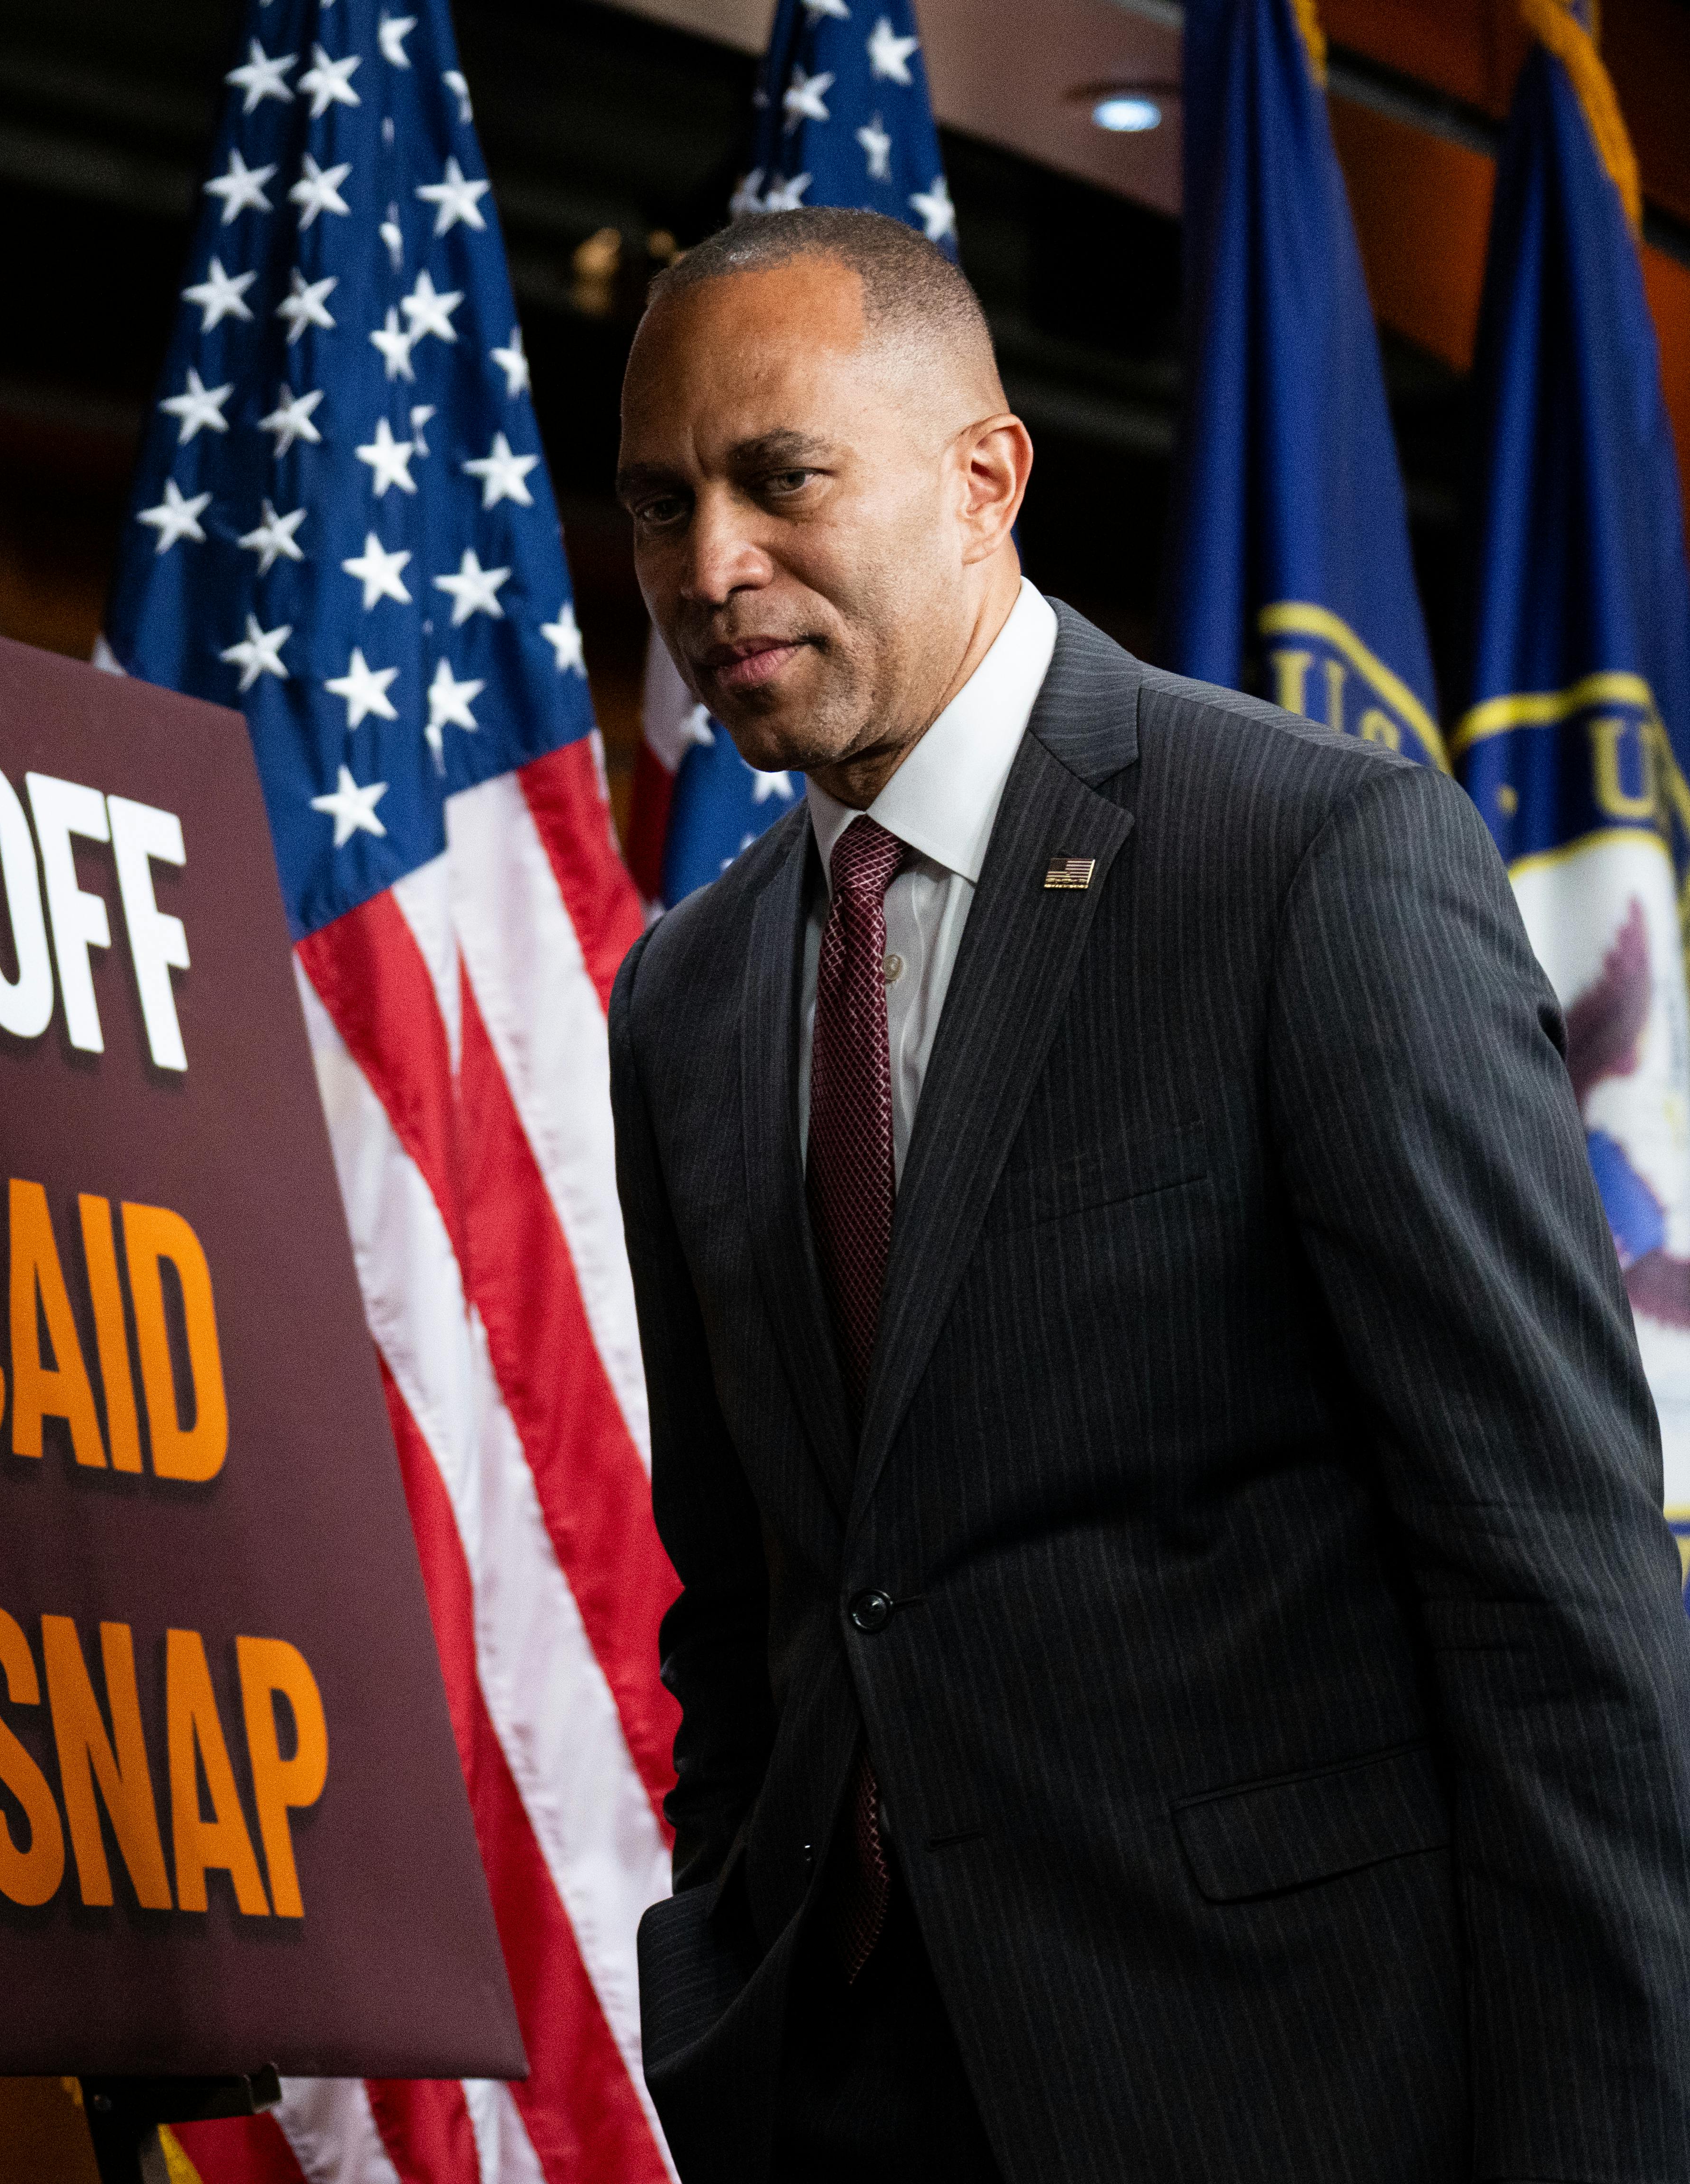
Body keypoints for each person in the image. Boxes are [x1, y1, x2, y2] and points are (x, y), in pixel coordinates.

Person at [606, 205, 1690, 2184]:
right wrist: (731, 1987)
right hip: (842, 2103)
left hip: (1285, 2092)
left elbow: (1559, 1602)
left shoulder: (1313, 862)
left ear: (984, 476)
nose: (709, 567)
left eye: (777, 480)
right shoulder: (679, 991)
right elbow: (748, 1599)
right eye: (661, 505)